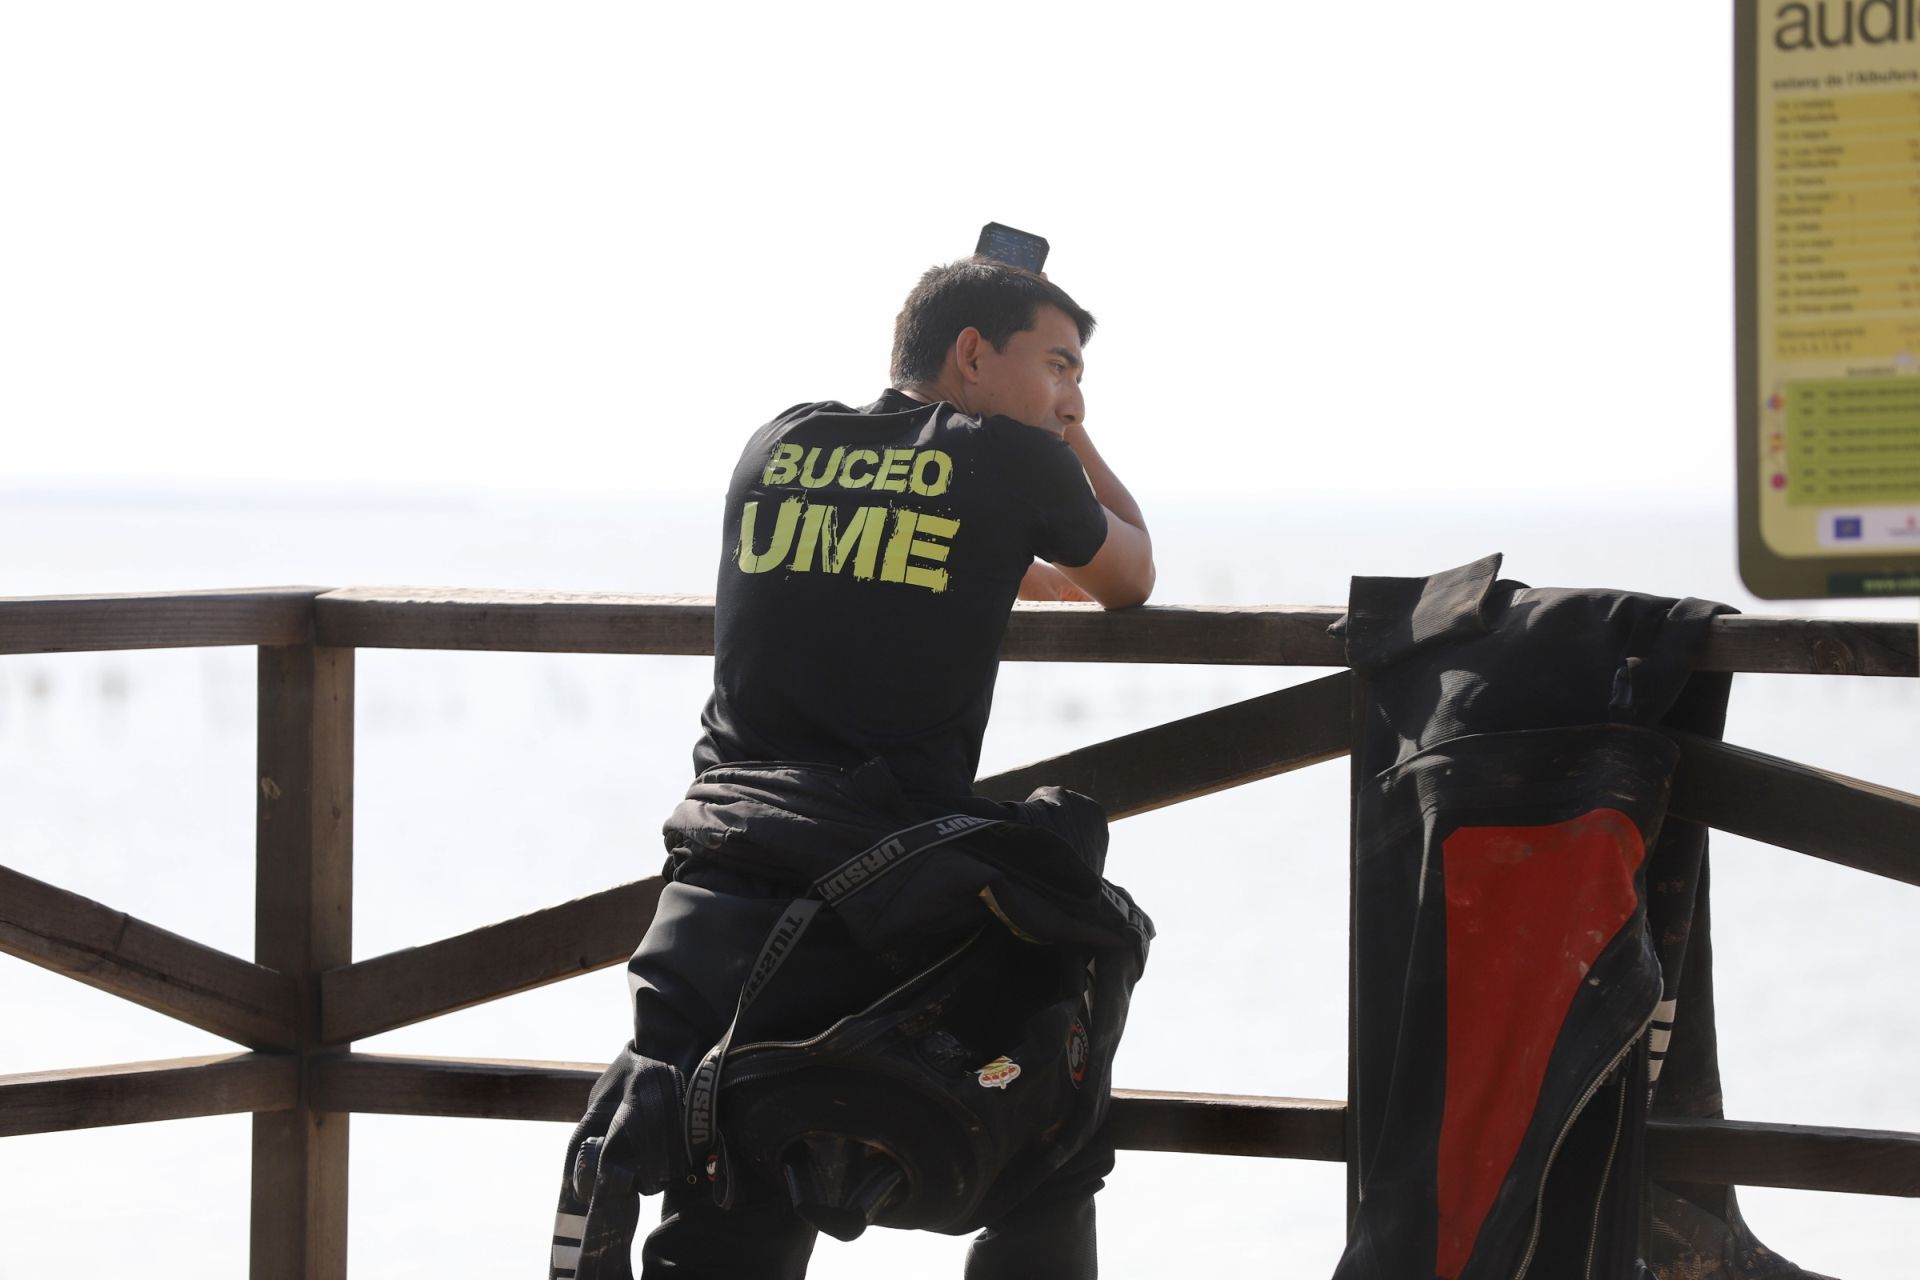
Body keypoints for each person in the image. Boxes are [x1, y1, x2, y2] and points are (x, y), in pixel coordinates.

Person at [555, 257, 1155, 1280]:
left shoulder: (779, 440)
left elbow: (900, 553)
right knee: (1061, 1085)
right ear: (973, 353)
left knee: (743, 1170)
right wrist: (1067, 433)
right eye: (1058, 365)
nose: (1071, 394)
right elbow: (1129, 574)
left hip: (711, 887)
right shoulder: (1014, 458)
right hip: (872, 896)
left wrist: (1022, 473)